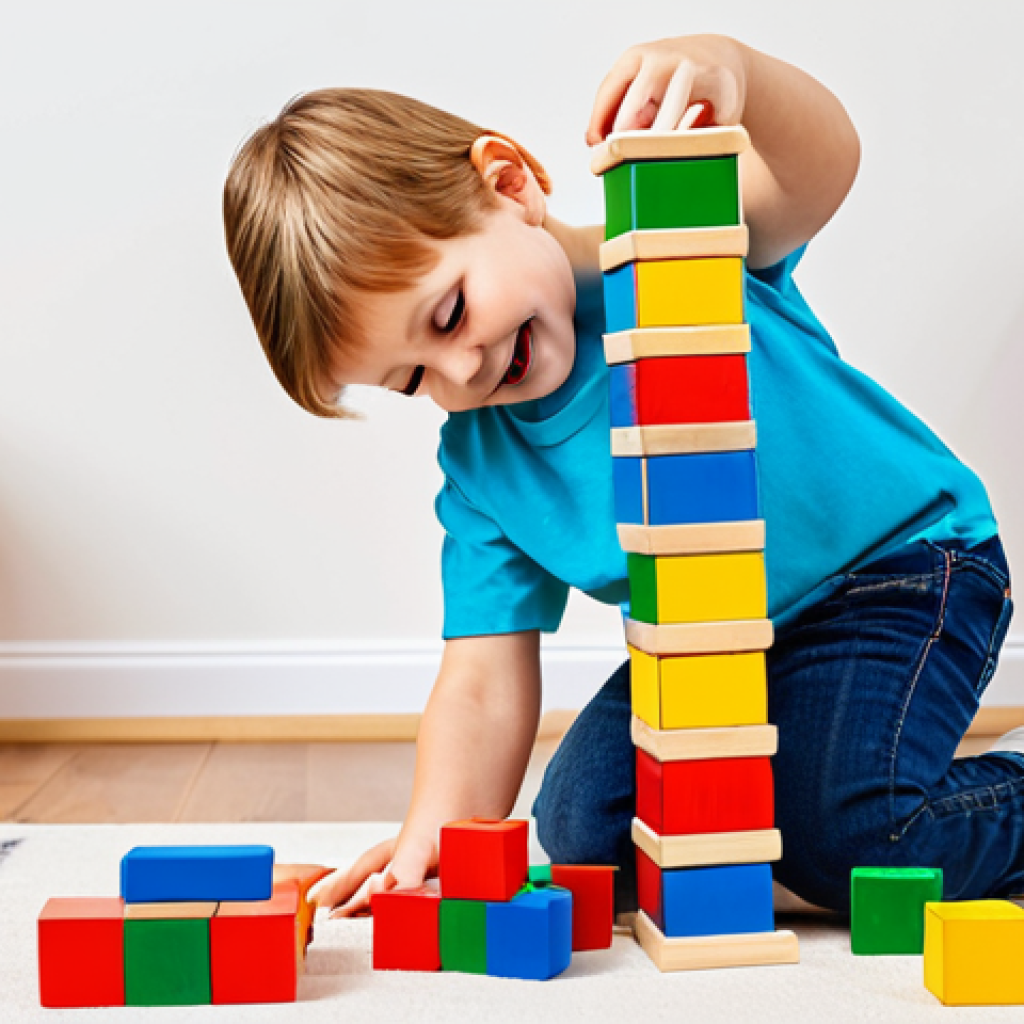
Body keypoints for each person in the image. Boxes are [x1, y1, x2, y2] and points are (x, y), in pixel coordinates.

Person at [222, 34, 1022, 917]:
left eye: (449, 314)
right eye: (412, 379)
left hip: (901, 572)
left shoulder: (680, 253)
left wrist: (737, 73)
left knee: (854, 835)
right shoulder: (484, 468)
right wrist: (441, 837)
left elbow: (821, 168)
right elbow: (483, 677)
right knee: (585, 835)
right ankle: (811, 774)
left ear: (510, 184)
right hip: (710, 645)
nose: (462, 371)